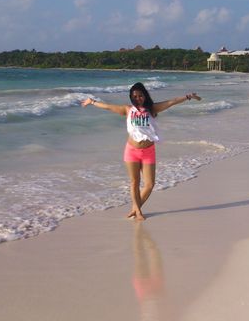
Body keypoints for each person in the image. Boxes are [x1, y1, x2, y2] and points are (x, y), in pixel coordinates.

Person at [81, 82, 201, 220]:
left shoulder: (152, 109)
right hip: (131, 151)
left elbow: (171, 102)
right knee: (134, 182)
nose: (138, 98)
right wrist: (92, 102)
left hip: (148, 151)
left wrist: (188, 96)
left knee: (150, 184)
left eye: (140, 95)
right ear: (131, 98)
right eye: (135, 96)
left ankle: (135, 208)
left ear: (145, 95)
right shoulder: (127, 110)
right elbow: (108, 107)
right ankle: (138, 211)